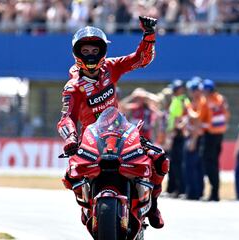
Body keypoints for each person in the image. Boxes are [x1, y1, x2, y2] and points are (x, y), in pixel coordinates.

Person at [57, 16, 169, 228]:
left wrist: (149, 36)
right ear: (77, 53)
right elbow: (65, 119)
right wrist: (71, 139)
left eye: (95, 50)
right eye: (86, 51)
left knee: (159, 158)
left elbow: (141, 59)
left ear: (102, 51)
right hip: (91, 140)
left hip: (121, 134)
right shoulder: (72, 87)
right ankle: (87, 207)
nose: (91, 55)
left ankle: (153, 204)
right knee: (71, 175)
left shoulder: (111, 67)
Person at [201, 79, 230, 201]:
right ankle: (215, 192)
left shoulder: (205, 101)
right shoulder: (221, 99)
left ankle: (214, 192)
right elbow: (227, 115)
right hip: (220, 135)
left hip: (210, 135)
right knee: (215, 164)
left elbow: (200, 118)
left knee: (208, 164)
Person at [183, 78, 207, 200]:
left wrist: (193, 140)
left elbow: (197, 119)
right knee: (190, 165)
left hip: (196, 137)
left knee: (193, 165)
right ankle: (192, 191)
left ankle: (195, 192)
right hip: (192, 135)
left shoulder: (201, 102)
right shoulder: (195, 102)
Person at [166, 79, 189, 198]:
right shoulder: (179, 100)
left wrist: (175, 130)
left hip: (177, 134)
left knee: (177, 163)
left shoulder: (181, 101)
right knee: (174, 163)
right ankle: (175, 189)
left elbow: (180, 118)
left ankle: (180, 189)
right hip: (175, 134)